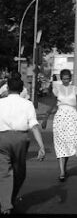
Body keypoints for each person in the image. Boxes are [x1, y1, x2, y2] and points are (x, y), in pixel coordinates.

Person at [0, 76, 45, 214]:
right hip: (21, 139)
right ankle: (9, 200)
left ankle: (6, 204)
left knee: (4, 172)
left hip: (2, 139)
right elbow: (34, 126)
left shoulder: (0, 102)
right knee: (19, 171)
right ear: (21, 89)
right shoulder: (27, 104)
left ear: (7, 88)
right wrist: (41, 146)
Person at [41, 69, 77, 182]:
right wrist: (45, 118)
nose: (66, 80)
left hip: (72, 118)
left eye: (68, 78)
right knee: (60, 143)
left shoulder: (75, 89)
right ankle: (62, 172)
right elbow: (53, 104)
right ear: (61, 78)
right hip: (60, 118)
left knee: (68, 144)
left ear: (71, 78)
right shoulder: (56, 89)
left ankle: (64, 166)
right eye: (64, 78)